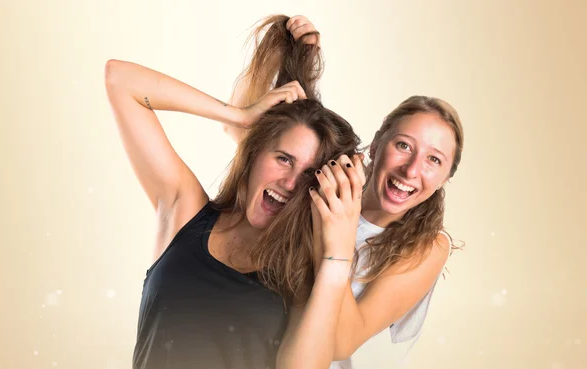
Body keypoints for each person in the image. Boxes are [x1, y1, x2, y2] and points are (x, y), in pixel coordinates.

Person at [104, 14, 361, 369]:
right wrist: (239, 115)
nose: (290, 183)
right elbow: (121, 79)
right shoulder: (186, 212)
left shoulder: (300, 273)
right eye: (284, 159)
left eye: (309, 175)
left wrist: (337, 255)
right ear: (254, 154)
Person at [227, 15, 465, 369]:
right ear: (377, 143)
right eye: (403, 145)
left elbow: (340, 343)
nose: (411, 170)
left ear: (445, 177)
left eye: (434, 159)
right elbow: (247, 134)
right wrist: (280, 57)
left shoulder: (428, 246)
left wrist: (334, 241)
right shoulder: (328, 181)